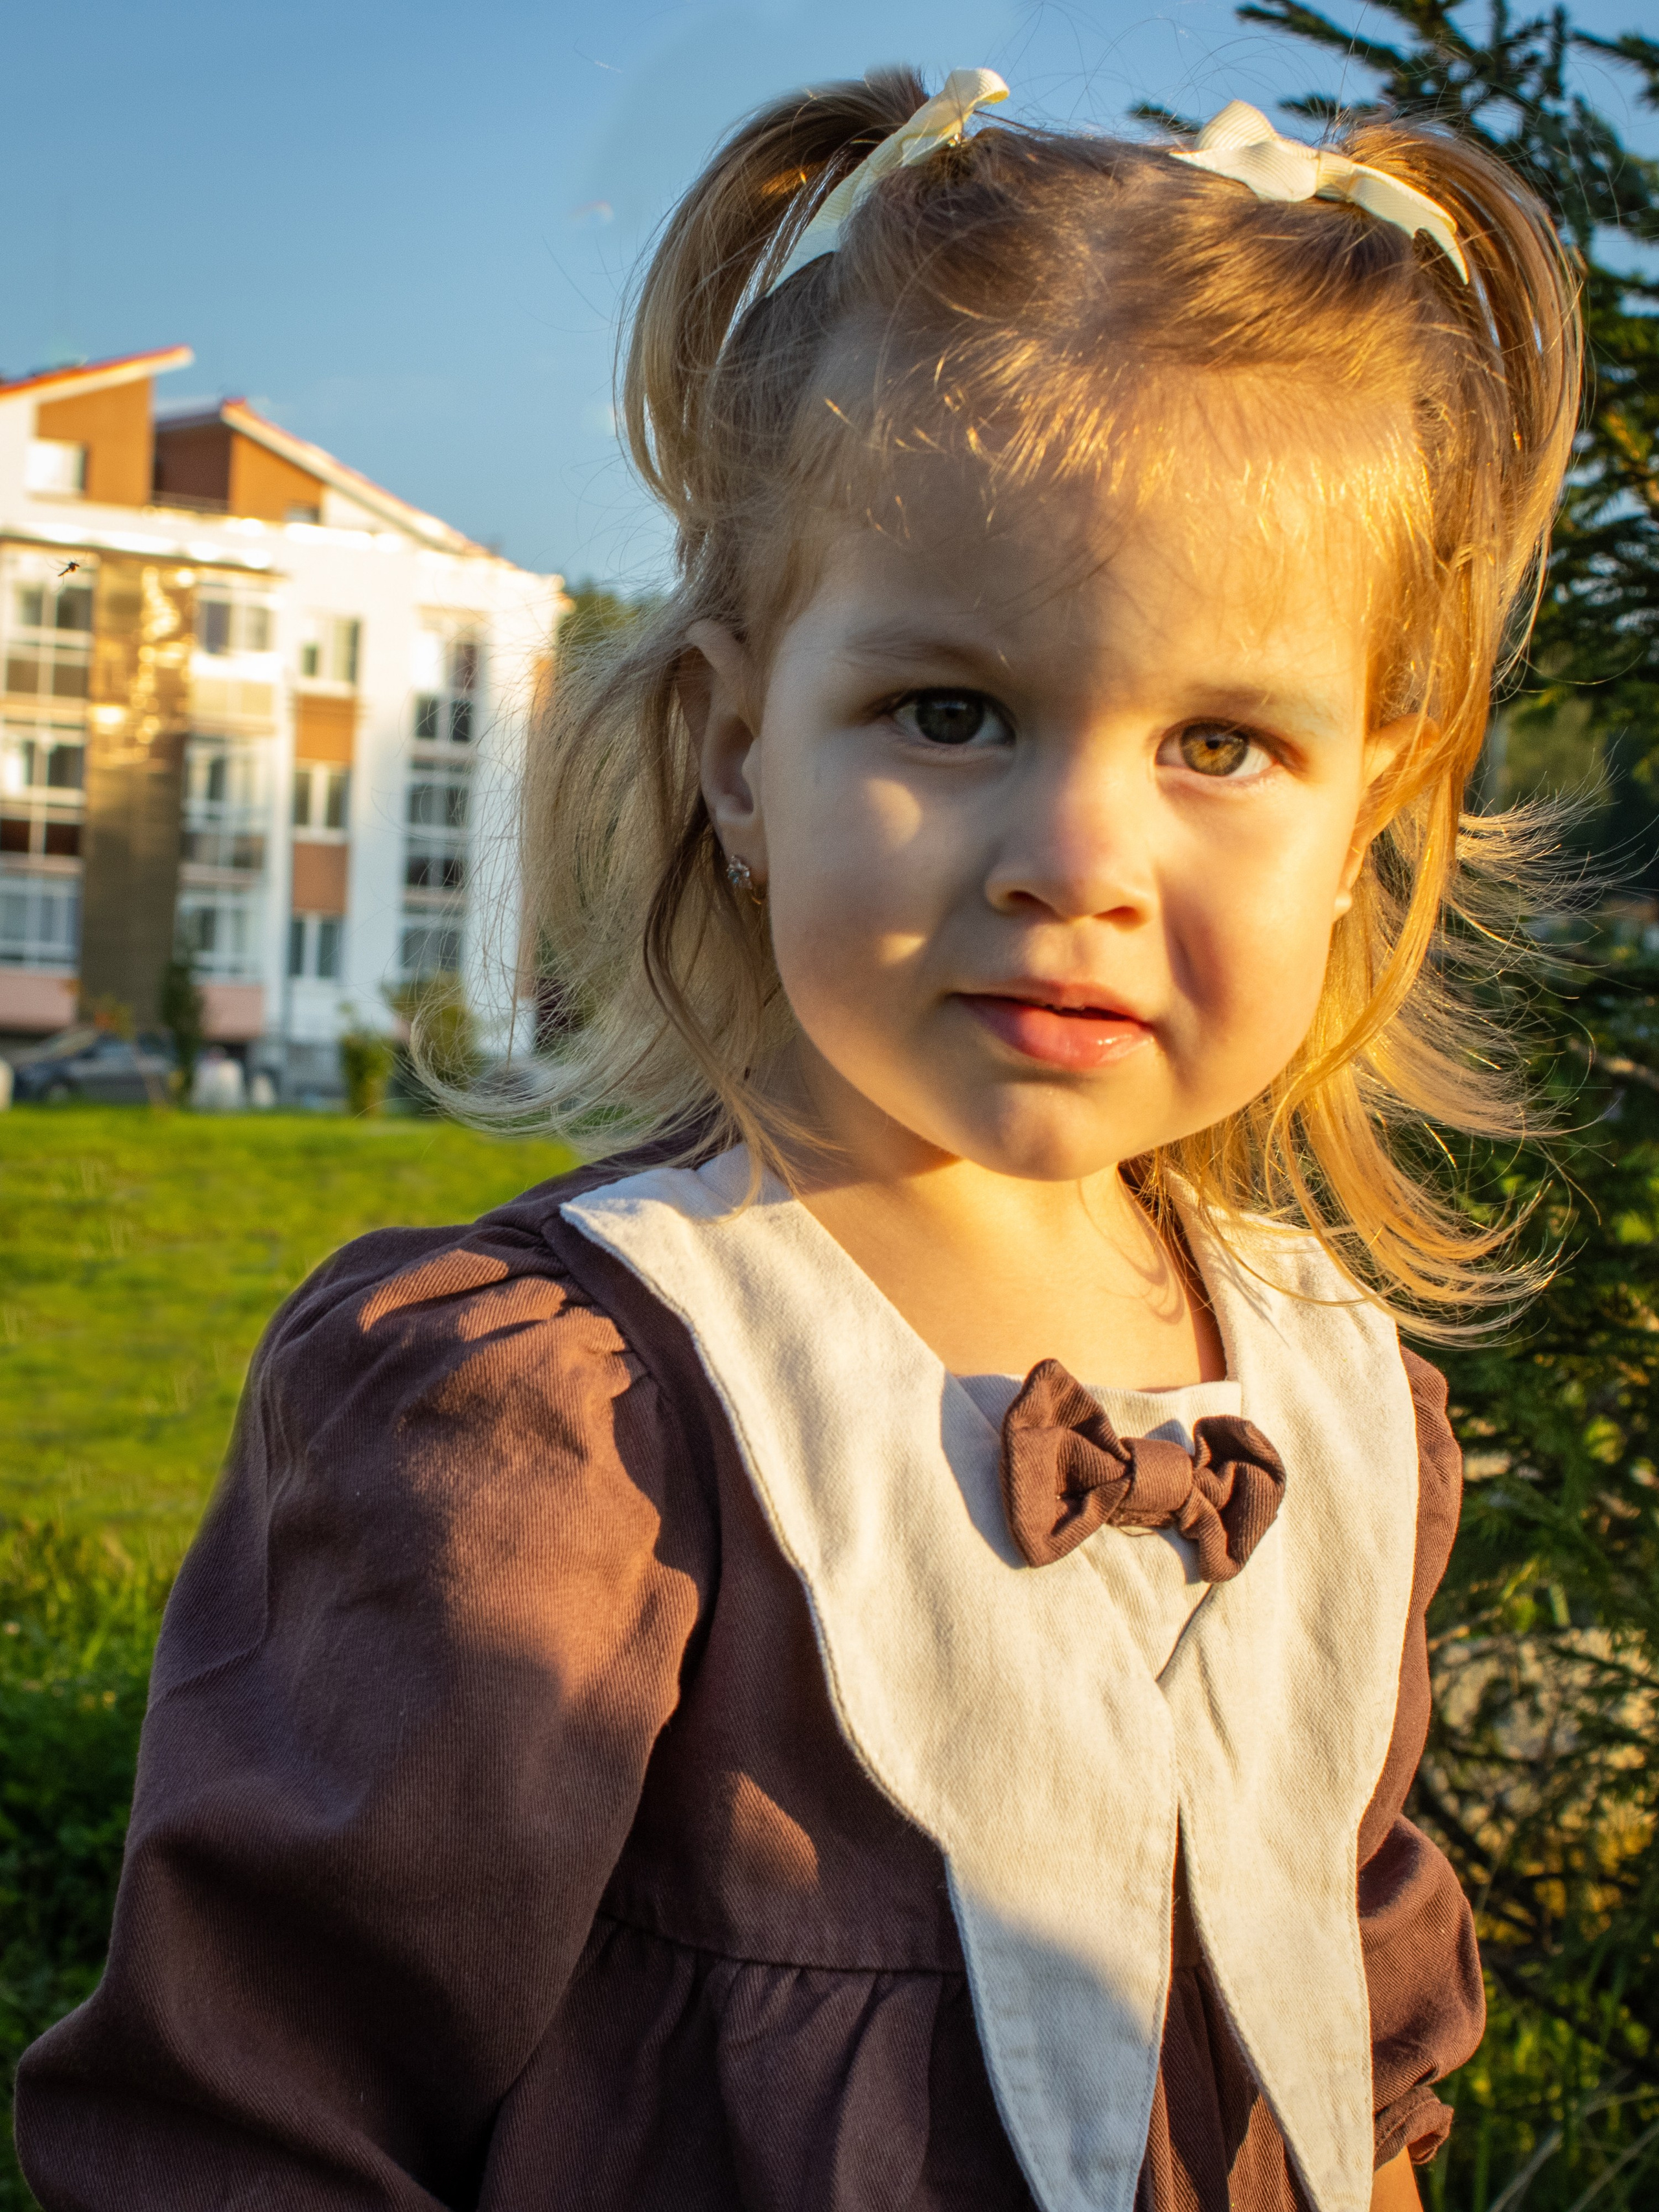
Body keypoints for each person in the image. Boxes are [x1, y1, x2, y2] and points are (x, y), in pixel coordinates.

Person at [16, 65, 1582, 2212]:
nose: (1080, 859)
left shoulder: (1338, 1413)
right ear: (742, 754)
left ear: (1364, 827)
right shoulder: (565, 1422)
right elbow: (264, 2124)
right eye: (953, 714)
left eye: (1225, 741)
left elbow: (1360, 2068)